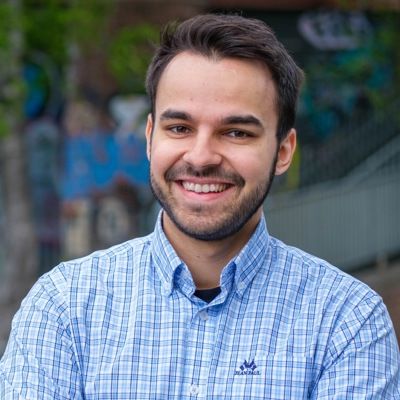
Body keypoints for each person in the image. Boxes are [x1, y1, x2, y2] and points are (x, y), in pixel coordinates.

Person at [1, 14, 399, 399]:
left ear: (283, 151)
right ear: (150, 137)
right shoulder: (64, 306)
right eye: (180, 128)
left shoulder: (346, 320)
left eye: (236, 132)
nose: (202, 157)